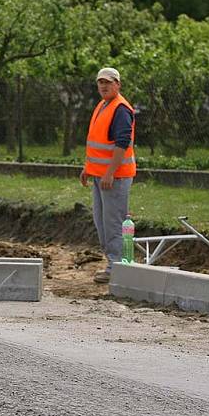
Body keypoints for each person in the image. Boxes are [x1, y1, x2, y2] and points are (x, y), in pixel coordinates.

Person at [79, 67, 136, 283]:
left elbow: (122, 144)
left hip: (115, 178)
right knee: (102, 223)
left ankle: (117, 268)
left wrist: (110, 173)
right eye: (100, 82)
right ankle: (114, 264)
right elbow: (98, 143)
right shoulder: (104, 105)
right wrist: (88, 168)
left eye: (108, 82)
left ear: (117, 84)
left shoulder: (121, 109)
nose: (103, 86)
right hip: (100, 176)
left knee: (113, 224)